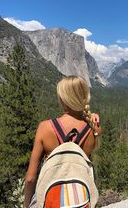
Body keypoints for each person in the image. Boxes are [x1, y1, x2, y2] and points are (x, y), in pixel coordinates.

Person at [24, 75, 102, 208]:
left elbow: (30, 179)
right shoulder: (95, 129)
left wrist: (26, 205)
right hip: (80, 200)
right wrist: (89, 116)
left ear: (63, 99)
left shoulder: (45, 128)